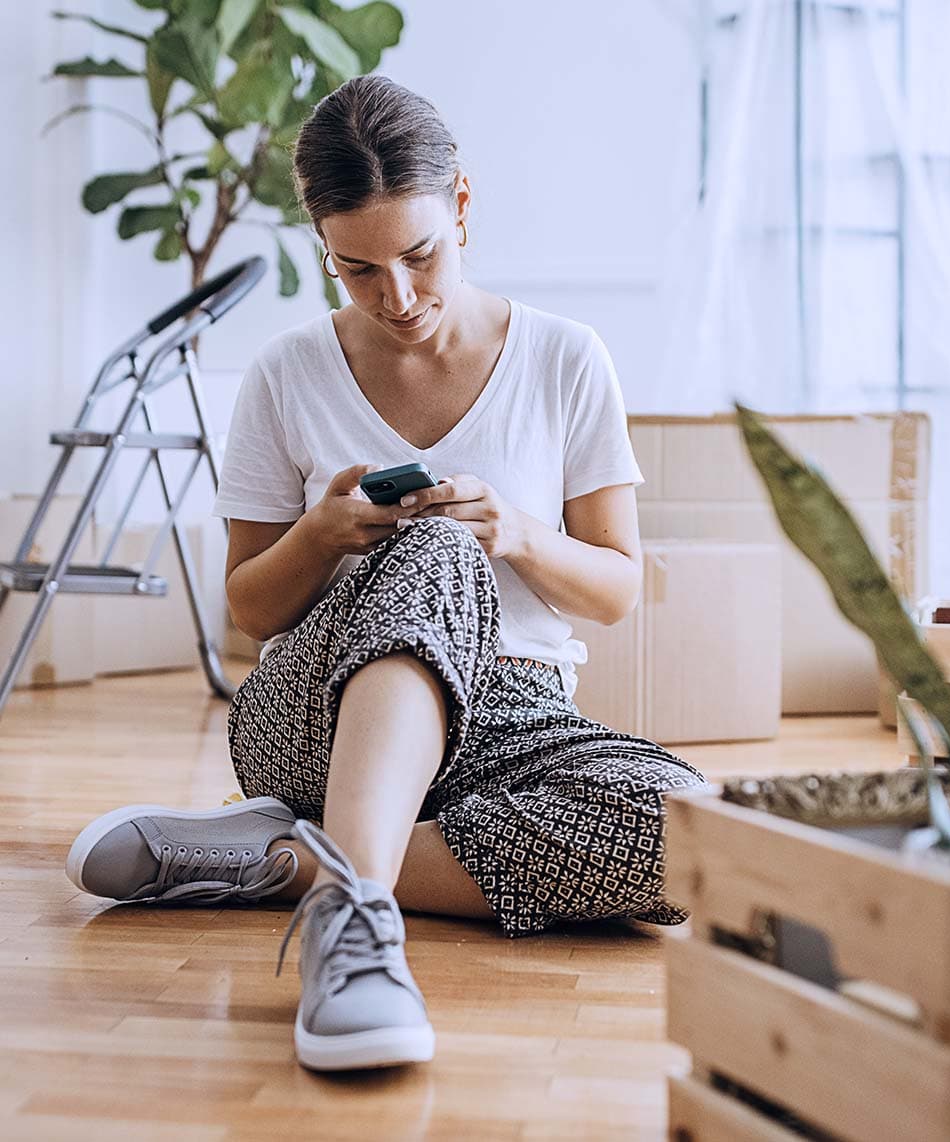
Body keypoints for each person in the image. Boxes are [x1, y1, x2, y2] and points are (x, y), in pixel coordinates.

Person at [64, 75, 709, 1072]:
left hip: (511, 718)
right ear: (321, 242)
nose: (397, 298)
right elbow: (248, 610)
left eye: (419, 256)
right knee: (434, 550)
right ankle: (353, 930)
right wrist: (324, 536)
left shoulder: (566, 358)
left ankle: (290, 858)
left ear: (461, 204)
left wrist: (520, 533)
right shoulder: (285, 372)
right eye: (355, 269)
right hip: (313, 714)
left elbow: (620, 588)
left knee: (693, 836)